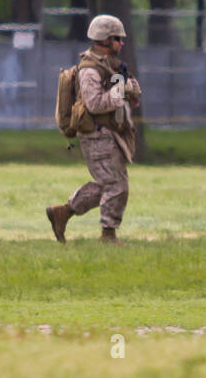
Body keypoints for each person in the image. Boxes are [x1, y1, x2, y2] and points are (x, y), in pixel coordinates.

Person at [46, 14, 141, 245]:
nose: (122, 43)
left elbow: (124, 92)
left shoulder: (109, 65)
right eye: (118, 39)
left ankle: (63, 213)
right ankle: (108, 235)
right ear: (105, 40)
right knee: (117, 185)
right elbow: (94, 104)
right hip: (97, 135)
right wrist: (121, 91)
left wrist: (129, 88)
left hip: (107, 134)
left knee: (107, 185)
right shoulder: (90, 69)